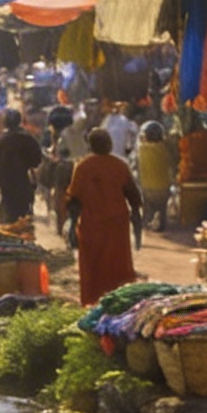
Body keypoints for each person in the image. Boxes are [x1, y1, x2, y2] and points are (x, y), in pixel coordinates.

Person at [64, 125, 142, 303]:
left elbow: (73, 200)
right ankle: (120, 302)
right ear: (109, 144)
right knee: (118, 265)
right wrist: (137, 220)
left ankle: (92, 303)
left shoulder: (83, 167)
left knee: (93, 267)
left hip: (91, 225)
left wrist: (72, 224)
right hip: (117, 225)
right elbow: (133, 196)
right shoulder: (120, 165)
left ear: (90, 145)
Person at [0, 107, 44, 226]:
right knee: (24, 218)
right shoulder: (28, 139)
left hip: (5, 186)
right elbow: (37, 161)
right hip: (23, 184)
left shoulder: (0, 141)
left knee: (7, 219)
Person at [136, 119, 174, 235]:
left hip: (147, 188)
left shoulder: (142, 149)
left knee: (147, 207)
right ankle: (161, 222)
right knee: (162, 207)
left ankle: (145, 222)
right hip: (164, 187)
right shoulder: (165, 149)